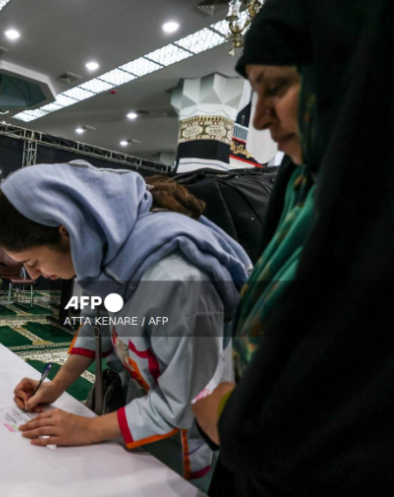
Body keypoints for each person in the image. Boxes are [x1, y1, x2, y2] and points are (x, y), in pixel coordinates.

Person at [193, 0, 394, 495]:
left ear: (346, 74)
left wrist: (231, 417)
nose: (259, 120)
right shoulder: (302, 184)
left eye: (277, 87)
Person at [0, 160, 251, 486]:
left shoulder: (177, 283)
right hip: (142, 414)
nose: (35, 275)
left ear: (66, 231)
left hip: (186, 441)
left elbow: (187, 400)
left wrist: (88, 428)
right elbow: (98, 320)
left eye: (33, 262)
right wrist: (57, 385)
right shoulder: (105, 253)